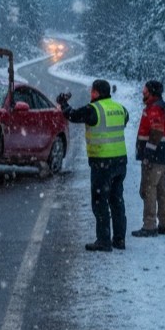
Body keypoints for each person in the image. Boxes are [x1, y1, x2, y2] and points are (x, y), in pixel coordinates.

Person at [57, 79, 129, 252]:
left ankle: (103, 241)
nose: (90, 93)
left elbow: (73, 115)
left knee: (100, 202)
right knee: (117, 200)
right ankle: (119, 240)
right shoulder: (121, 109)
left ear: (96, 93)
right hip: (120, 161)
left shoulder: (93, 109)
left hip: (102, 163)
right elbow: (123, 122)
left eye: (92, 91)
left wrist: (63, 103)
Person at [132, 80, 165, 237]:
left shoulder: (155, 108)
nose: (143, 92)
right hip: (163, 155)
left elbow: (156, 131)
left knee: (149, 188)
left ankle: (149, 226)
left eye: (145, 90)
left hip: (155, 157)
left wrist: (148, 153)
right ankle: (164, 224)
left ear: (152, 92)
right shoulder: (160, 106)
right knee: (161, 189)